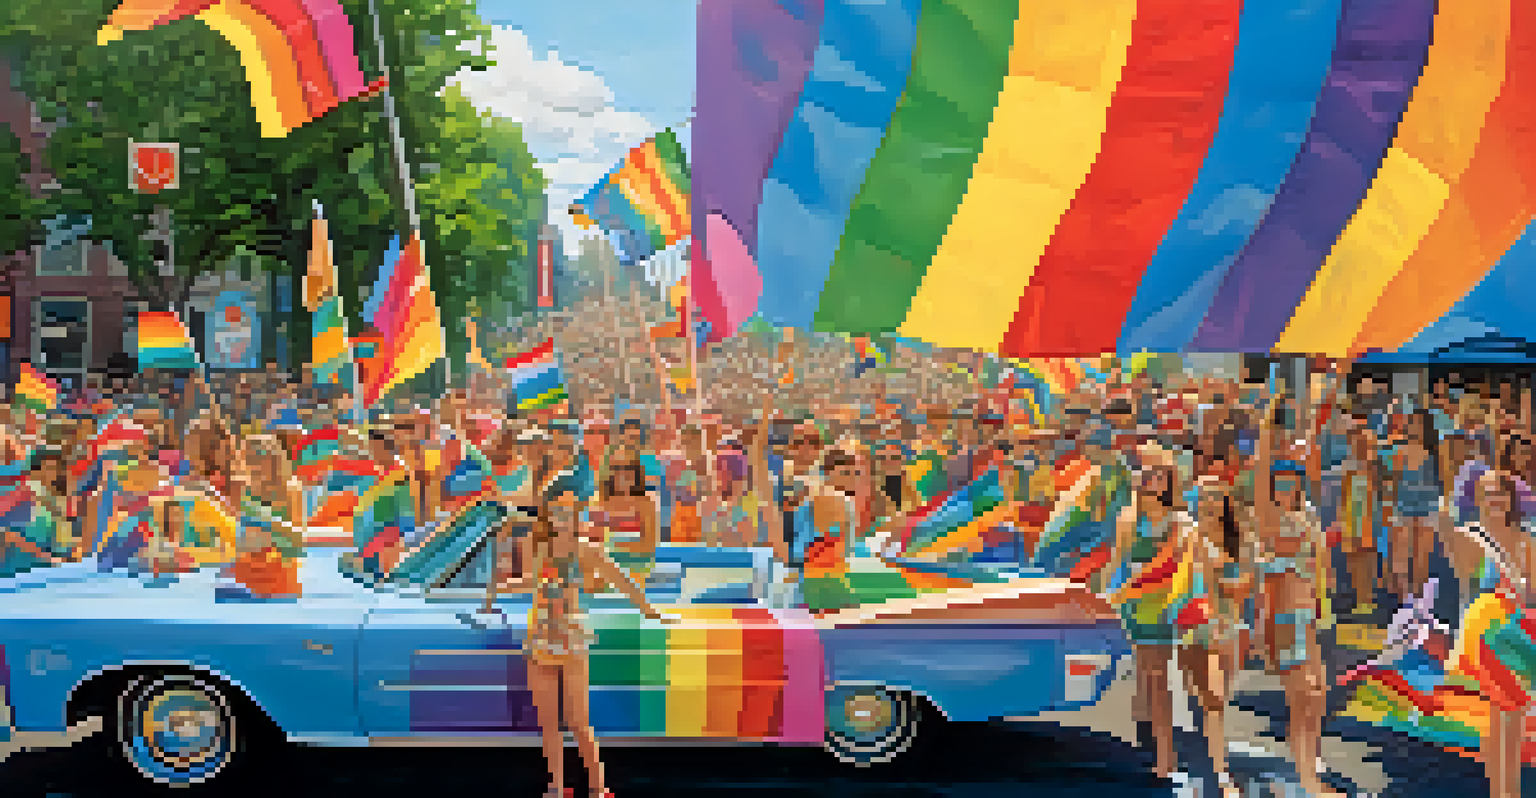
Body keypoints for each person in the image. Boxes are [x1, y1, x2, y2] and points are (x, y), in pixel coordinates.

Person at [503, 488, 676, 798]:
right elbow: (533, 581)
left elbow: (622, 580)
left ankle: (598, 788)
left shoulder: (587, 550)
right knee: (548, 722)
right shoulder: (537, 546)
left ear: (576, 516)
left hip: (569, 636)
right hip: (540, 634)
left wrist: (651, 611)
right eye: (556, 512)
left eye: (568, 512)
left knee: (578, 721)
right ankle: (557, 786)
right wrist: (502, 586)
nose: (562, 518)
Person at [1252, 400, 1340, 798]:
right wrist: (1268, 429)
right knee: (1303, 696)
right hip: (1284, 619)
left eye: (1292, 479)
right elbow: (1258, 474)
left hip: (1309, 616)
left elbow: (1319, 563)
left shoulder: (1306, 516)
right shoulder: (1270, 519)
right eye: (1280, 480)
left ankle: (1305, 761)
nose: (1287, 484)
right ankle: (1308, 780)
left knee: (1317, 695)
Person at [1449, 469, 1534, 798]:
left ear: (1510, 498)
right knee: (1500, 716)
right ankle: (1502, 791)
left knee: (1509, 718)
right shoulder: (1471, 536)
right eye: (1487, 493)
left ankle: (1504, 790)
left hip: (1518, 630)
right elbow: (1463, 569)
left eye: (1499, 492)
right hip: (1486, 631)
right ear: (1478, 500)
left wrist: (1522, 587)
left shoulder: (1526, 538)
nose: (1494, 499)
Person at [1105, 443, 1188, 781]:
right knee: (1143, 676)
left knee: (1158, 679)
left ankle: (1166, 753)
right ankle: (1147, 746)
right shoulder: (1129, 518)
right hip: (1133, 604)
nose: (1153, 481)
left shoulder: (1179, 520)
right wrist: (1110, 595)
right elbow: (1116, 562)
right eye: (1148, 475)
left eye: (1160, 475)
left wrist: (1125, 589)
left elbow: (1171, 563)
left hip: (1162, 603)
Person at [1180, 477, 1248, 798]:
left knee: (1216, 702)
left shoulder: (1236, 539)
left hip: (1231, 627)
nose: (1209, 502)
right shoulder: (1190, 538)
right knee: (1212, 701)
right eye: (1204, 496)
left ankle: (1207, 764)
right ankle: (1219, 774)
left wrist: (1224, 575)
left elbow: (1246, 585)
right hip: (1198, 627)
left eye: (1216, 497)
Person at [1386, 410, 1441, 603]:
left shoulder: (1435, 450)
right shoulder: (1399, 450)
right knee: (1402, 553)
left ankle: (1419, 600)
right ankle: (1405, 600)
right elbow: (1392, 481)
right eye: (1412, 422)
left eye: (1418, 423)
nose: (1414, 426)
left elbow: (1440, 480)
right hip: (1404, 504)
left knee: (1422, 556)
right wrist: (1391, 506)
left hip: (1429, 504)